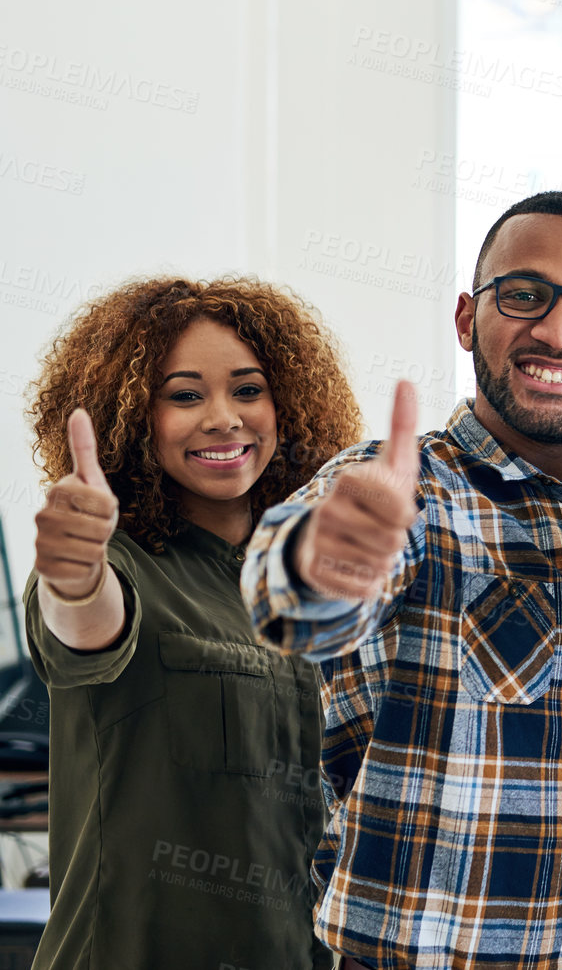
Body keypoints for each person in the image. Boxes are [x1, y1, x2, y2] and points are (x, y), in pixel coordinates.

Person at [243, 192, 562, 970]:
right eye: (523, 295)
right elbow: (287, 604)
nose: (557, 329)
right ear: (465, 318)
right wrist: (326, 559)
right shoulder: (396, 492)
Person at [23, 276, 364, 970]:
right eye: (184, 394)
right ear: (132, 416)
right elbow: (85, 622)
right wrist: (73, 573)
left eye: (248, 389)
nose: (223, 417)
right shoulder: (120, 564)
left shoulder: (310, 587)